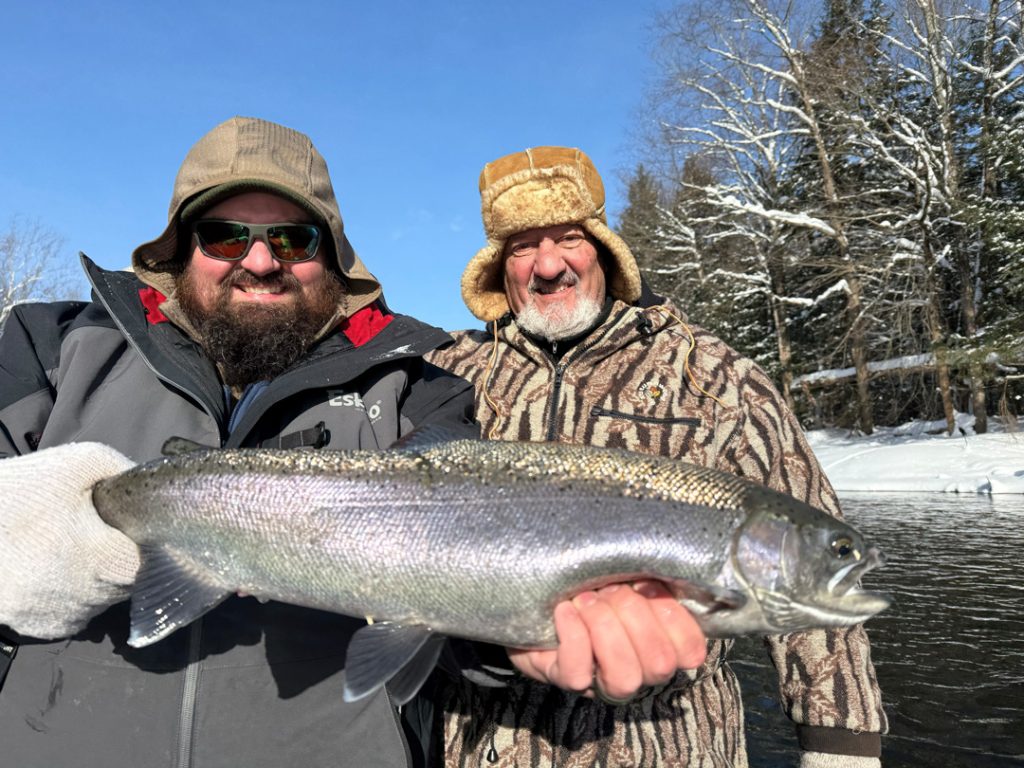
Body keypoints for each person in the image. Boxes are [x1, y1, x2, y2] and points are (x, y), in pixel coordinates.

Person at [0, 116, 486, 767]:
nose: (260, 262)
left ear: (334, 256)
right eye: (225, 237)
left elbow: (470, 634)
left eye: (292, 238)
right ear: (178, 250)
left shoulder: (417, 391)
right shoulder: (52, 349)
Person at [426, 146, 888, 767]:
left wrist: (842, 746)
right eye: (521, 247)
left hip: (670, 743)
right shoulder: (447, 375)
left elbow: (806, 572)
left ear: (604, 249)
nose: (548, 264)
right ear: (498, 269)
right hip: (479, 740)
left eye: (568, 238)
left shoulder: (716, 377)